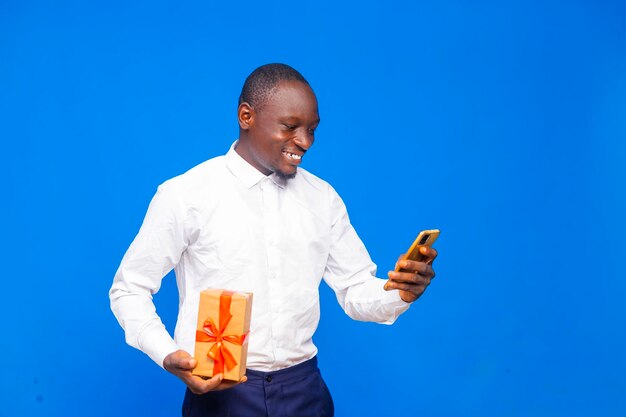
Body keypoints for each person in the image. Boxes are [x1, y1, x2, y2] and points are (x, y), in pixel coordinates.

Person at [109, 63, 437, 417]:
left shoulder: (322, 198)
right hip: (220, 393)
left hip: (305, 391)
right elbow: (129, 289)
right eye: (290, 127)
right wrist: (166, 352)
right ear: (246, 116)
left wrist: (399, 292)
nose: (305, 142)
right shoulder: (185, 195)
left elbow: (355, 289)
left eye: (312, 130)